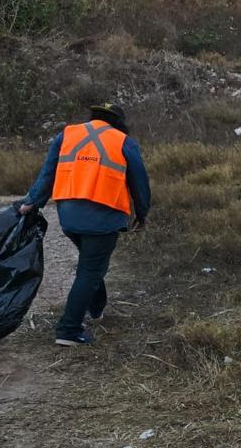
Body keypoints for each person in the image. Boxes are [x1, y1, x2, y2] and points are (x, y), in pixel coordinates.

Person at [19, 103, 151, 347]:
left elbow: (48, 173)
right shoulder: (123, 142)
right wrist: (142, 214)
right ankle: (68, 330)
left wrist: (32, 202)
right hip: (104, 218)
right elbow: (139, 184)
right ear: (119, 122)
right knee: (90, 270)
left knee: (91, 264)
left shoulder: (67, 134)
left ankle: (97, 308)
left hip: (69, 217)